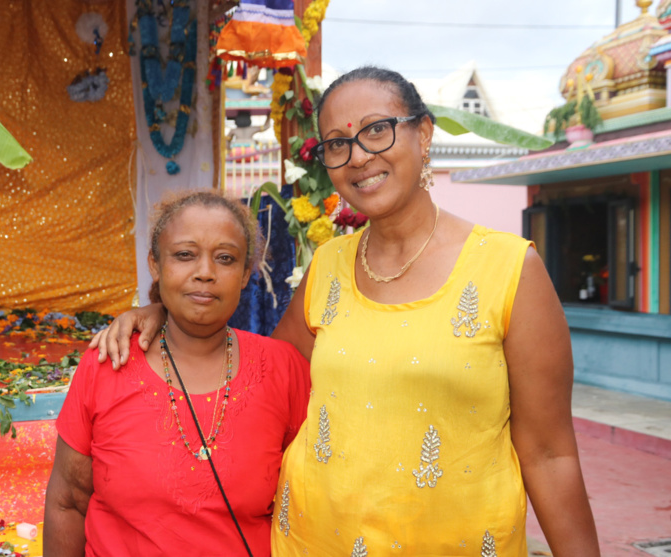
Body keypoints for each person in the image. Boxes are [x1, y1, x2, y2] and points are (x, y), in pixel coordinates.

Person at [90, 66, 600, 557]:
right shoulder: (330, 264)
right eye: (337, 143)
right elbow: (258, 366)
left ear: (424, 134)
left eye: (377, 131)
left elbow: (550, 455)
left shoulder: (509, 269)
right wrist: (164, 315)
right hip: (313, 541)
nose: (358, 156)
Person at [44, 191, 310, 557]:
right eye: (185, 255)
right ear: (155, 265)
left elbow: (309, 501)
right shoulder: (110, 362)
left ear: (246, 273)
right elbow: (68, 504)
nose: (204, 272)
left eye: (225, 259)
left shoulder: (284, 369)